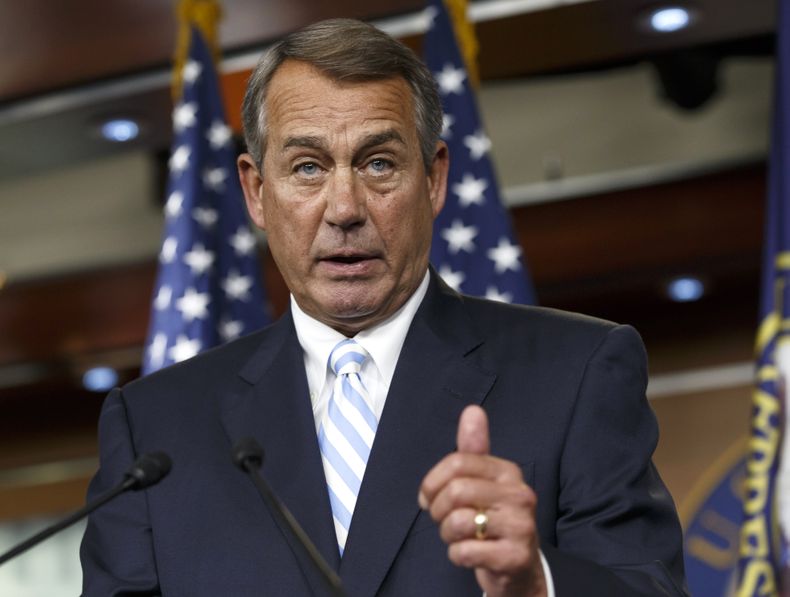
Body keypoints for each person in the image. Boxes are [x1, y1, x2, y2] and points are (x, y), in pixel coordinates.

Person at [80, 18, 688, 597]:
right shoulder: (154, 430)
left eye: (379, 163)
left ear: (434, 178)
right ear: (256, 192)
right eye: (308, 168)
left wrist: (535, 582)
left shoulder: (575, 373)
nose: (344, 208)